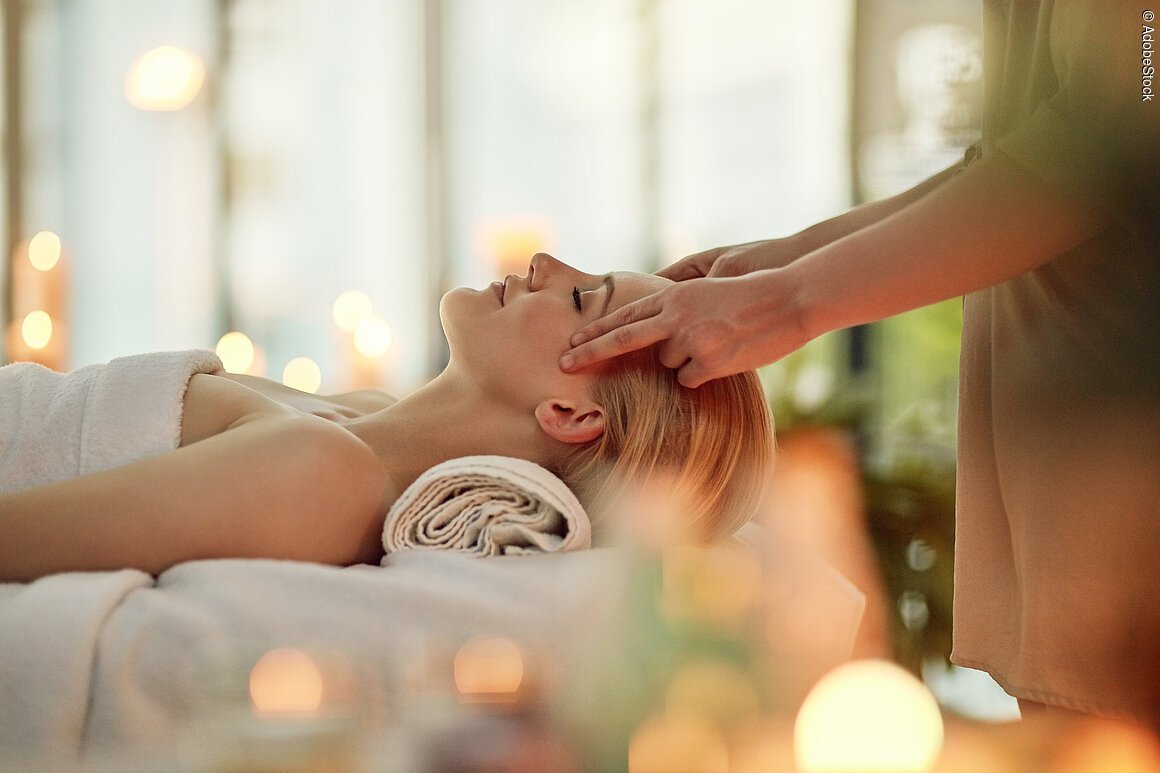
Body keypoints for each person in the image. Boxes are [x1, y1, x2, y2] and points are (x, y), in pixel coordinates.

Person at [560, 0, 1160, 728]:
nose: (539, 269)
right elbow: (1023, 153)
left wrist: (791, 300)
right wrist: (788, 262)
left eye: (586, 298)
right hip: (1066, 480)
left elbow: (1103, 144)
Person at [0, 254, 773, 583]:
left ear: (569, 412)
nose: (545, 263)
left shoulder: (324, 475)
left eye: (582, 297)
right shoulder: (361, 416)